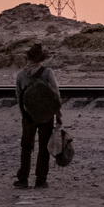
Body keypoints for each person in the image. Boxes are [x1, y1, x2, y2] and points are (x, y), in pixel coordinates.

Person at [14, 43, 62, 189]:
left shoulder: (21, 75)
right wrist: (58, 116)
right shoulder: (47, 73)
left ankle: (23, 179)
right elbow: (55, 95)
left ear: (28, 57)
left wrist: (25, 116)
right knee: (43, 147)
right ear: (41, 59)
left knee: (26, 147)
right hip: (46, 116)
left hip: (28, 116)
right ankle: (41, 180)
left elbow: (19, 97)